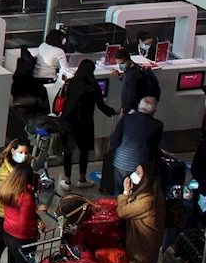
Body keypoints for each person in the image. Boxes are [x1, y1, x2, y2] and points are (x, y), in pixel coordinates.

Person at [59, 60, 117, 190]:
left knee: (67, 151)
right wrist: (113, 112)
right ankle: (82, 179)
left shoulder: (71, 82)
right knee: (84, 151)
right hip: (85, 123)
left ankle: (67, 181)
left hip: (68, 121)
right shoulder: (93, 86)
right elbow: (101, 105)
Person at [0, 139, 33, 263]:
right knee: (1, 239)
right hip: (3, 208)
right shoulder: (3, 173)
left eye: (26, 153)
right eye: (21, 152)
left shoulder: (23, 164)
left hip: (14, 208)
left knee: (11, 239)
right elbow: (7, 194)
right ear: (13, 151)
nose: (23, 155)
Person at [109, 96, 165, 195]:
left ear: (139, 106)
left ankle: (119, 208)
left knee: (119, 193)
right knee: (136, 194)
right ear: (154, 111)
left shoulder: (126, 118)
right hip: (140, 167)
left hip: (120, 163)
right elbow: (154, 148)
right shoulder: (157, 125)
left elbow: (114, 141)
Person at [0, 160, 45, 263]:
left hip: (8, 233)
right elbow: (23, 226)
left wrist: (36, 217)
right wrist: (34, 232)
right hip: (22, 239)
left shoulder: (7, 189)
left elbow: (15, 213)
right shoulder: (26, 197)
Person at [117, 162, 165, 263]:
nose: (134, 174)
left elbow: (122, 212)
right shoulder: (153, 191)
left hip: (141, 251)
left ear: (146, 179)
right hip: (147, 247)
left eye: (138, 173)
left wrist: (125, 192)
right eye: (135, 171)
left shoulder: (147, 200)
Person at [118, 47, 162, 113]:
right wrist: (120, 76)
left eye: (122, 63)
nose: (120, 66)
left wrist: (125, 110)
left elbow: (129, 95)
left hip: (134, 109)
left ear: (128, 60)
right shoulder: (136, 68)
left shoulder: (131, 75)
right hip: (139, 106)